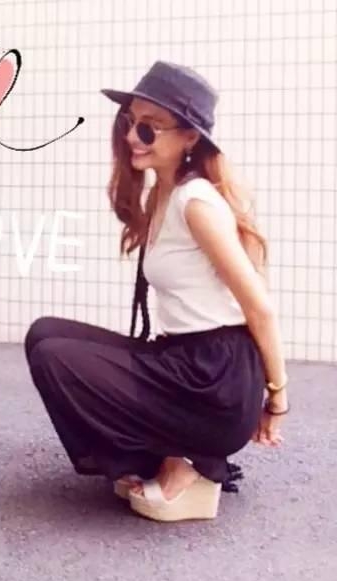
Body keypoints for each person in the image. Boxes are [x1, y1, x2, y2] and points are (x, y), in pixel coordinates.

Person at [24, 61, 289, 523]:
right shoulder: (161, 194)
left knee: (56, 358)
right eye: (129, 123)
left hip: (215, 382)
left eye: (149, 128)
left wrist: (277, 399)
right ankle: (163, 455)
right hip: (183, 359)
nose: (132, 136)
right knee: (43, 334)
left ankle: (187, 461)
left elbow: (259, 308)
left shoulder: (196, 203)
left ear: (189, 138)